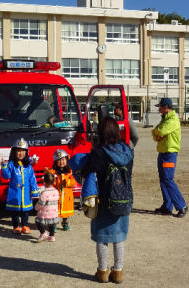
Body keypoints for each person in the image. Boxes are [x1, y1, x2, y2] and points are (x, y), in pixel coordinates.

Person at [70, 117, 133, 284]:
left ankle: (103, 271)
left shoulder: (100, 152)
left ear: (100, 133)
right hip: (123, 199)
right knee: (119, 237)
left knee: (103, 237)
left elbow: (86, 172)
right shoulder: (127, 151)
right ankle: (118, 272)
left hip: (104, 200)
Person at [152, 98, 188, 218]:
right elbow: (155, 132)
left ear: (166, 107)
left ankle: (182, 206)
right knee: (163, 180)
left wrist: (158, 133)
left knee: (168, 179)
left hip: (169, 153)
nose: (159, 109)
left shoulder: (173, 119)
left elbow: (160, 131)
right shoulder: (165, 119)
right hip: (163, 153)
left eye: (160, 107)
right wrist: (158, 136)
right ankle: (167, 206)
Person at [1, 138, 39, 234]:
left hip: (25, 192)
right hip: (15, 192)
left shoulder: (28, 166)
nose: (21, 153)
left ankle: (25, 226)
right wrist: (4, 167)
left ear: (26, 152)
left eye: (23, 151)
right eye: (18, 150)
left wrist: (34, 191)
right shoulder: (11, 165)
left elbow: (32, 179)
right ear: (14, 152)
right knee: (15, 211)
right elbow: (7, 176)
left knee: (25, 211)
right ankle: (16, 226)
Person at [46, 149, 77, 231]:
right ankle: (54, 225)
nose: (61, 162)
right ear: (55, 162)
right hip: (56, 196)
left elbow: (74, 181)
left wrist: (67, 182)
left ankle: (65, 224)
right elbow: (50, 182)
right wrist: (49, 174)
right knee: (55, 211)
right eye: (59, 160)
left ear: (67, 160)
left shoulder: (70, 172)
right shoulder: (54, 172)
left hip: (67, 196)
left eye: (63, 159)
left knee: (66, 212)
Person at [113, 102, 139, 173]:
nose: (114, 109)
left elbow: (135, 136)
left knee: (126, 173)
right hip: (119, 148)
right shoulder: (116, 120)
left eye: (116, 108)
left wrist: (131, 145)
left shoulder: (128, 121)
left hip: (127, 149)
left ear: (122, 110)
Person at [34, 172, 60, 242]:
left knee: (38, 222)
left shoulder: (44, 193)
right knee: (51, 224)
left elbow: (41, 203)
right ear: (54, 182)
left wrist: (36, 208)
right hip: (53, 212)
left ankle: (43, 233)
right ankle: (52, 236)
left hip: (44, 212)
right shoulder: (56, 191)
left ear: (44, 182)